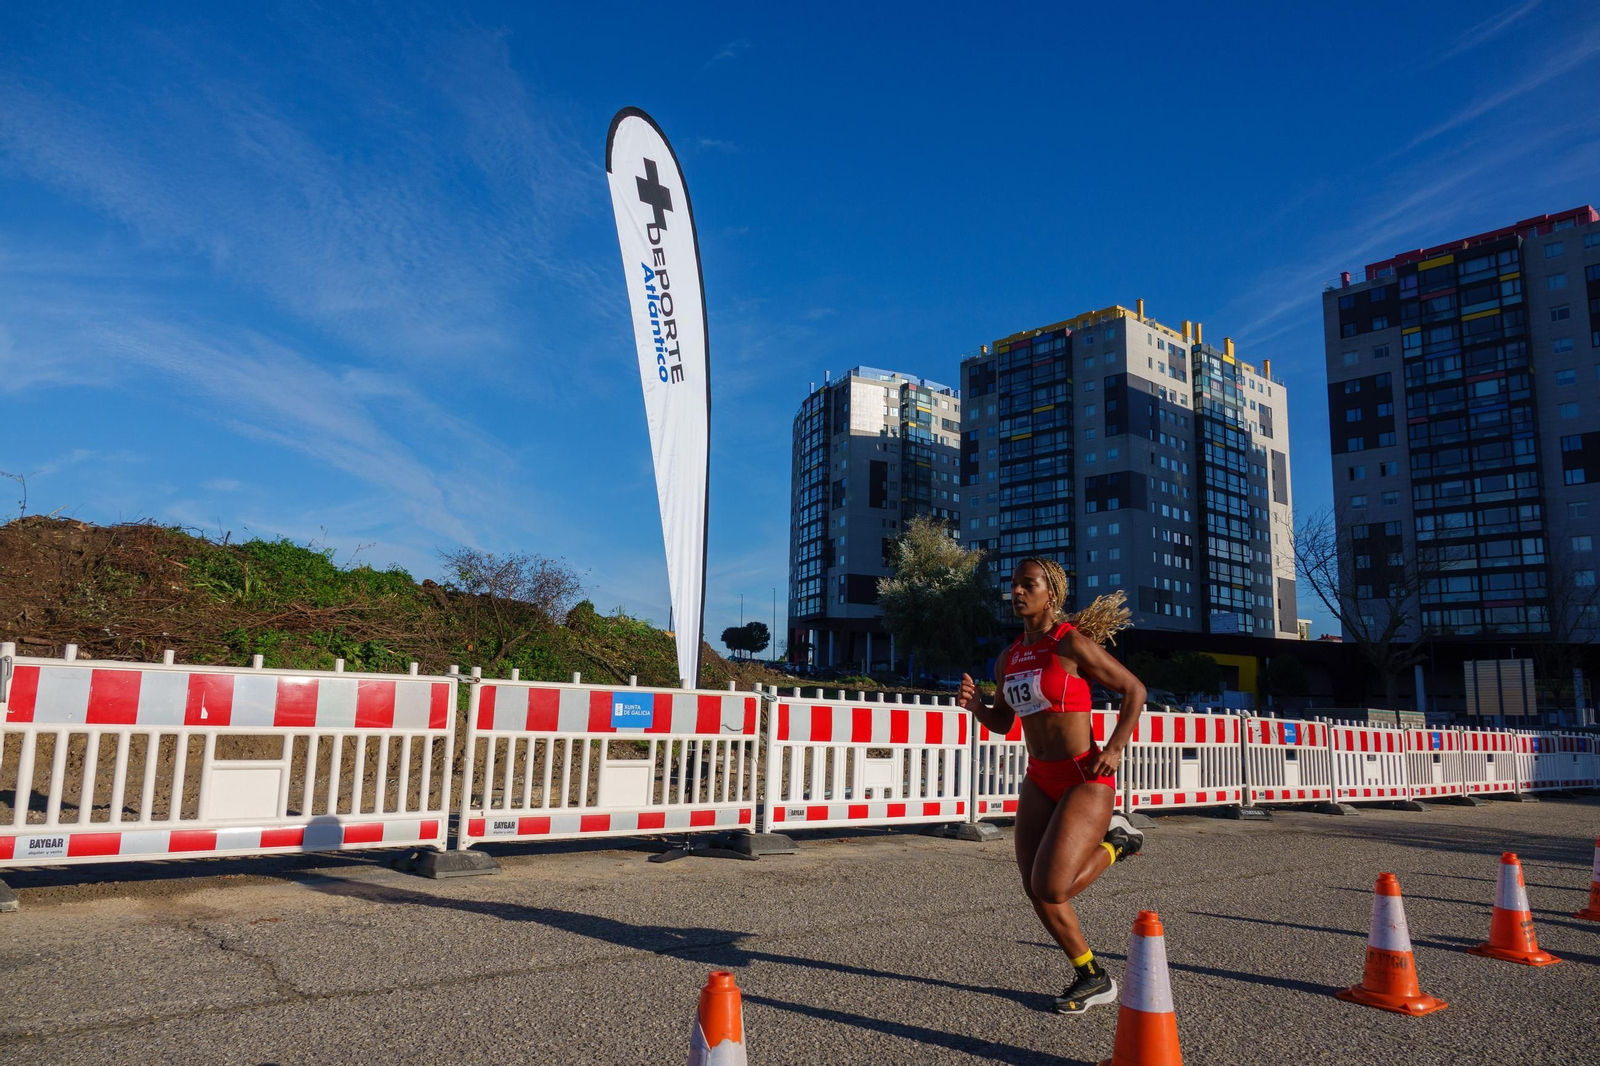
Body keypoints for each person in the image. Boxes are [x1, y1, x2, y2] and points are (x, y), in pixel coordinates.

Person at [958, 558, 1148, 1015]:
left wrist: (1117, 746)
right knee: (1034, 887)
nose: (1017, 592)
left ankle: (1116, 843)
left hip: (1085, 775)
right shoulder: (1008, 657)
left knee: (1051, 886)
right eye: (1014, 585)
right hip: (1040, 778)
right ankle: (1092, 976)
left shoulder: (1070, 643)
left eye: (1028, 584)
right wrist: (977, 707)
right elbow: (1004, 722)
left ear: (1051, 594)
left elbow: (1134, 690)